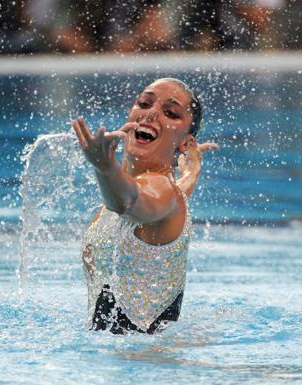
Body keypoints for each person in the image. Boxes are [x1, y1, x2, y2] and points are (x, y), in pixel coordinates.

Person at [71, 78, 218, 334]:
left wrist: (105, 168)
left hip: (143, 361)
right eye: (145, 103)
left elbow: (129, 202)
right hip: (131, 359)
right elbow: (164, 196)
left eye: (170, 113)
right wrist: (192, 171)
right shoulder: (169, 195)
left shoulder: (160, 189)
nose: (150, 113)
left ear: (185, 142)